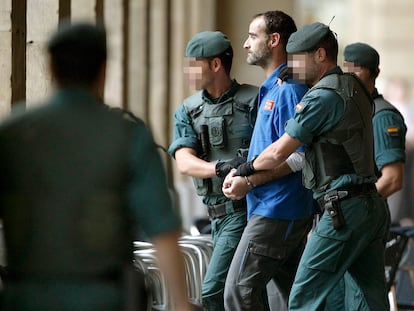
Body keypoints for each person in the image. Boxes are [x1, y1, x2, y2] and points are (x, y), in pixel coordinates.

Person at [0, 21, 194, 311]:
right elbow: (162, 228)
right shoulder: (128, 136)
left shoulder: (13, 132)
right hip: (102, 298)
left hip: (26, 297)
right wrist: (180, 302)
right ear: (103, 70)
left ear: (50, 68)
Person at [232, 22, 390, 310]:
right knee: (370, 300)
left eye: (297, 58)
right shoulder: (353, 86)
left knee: (303, 298)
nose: (291, 65)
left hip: (343, 210)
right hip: (370, 206)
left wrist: (246, 167)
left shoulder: (321, 97)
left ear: (319, 55)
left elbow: (280, 151)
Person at [221, 11, 315, 311]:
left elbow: (299, 157)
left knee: (238, 292)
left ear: (274, 40)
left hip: (278, 209)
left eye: (252, 36)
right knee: (287, 300)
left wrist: (248, 181)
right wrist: (241, 170)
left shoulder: (290, 88)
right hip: (269, 207)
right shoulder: (274, 87)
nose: (246, 44)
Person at [168, 31, 258, 310]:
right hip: (214, 215)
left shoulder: (255, 100)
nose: (187, 71)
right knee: (249, 293)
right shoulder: (189, 110)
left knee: (213, 291)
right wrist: (219, 168)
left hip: (246, 211)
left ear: (216, 65)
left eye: (194, 64)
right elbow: (184, 161)